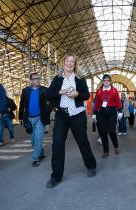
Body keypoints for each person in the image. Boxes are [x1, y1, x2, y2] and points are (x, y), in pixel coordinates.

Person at [45, 53, 97, 188]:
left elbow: (86, 95)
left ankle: (91, 166)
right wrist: (60, 92)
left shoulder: (79, 79)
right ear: (64, 63)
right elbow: (48, 94)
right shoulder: (57, 79)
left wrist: (77, 94)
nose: (69, 64)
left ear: (75, 65)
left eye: (72, 62)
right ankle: (56, 176)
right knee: (57, 144)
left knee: (82, 141)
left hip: (77, 114)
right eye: (67, 61)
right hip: (61, 114)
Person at [19, 72, 50, 167]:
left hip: (40, 118)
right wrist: (20, 118)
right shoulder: (25, 91)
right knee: (33, 141)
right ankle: (42, 153)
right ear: (31, 80)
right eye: (35, 78)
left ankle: (35, 159)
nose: (37, 80)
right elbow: (22, 105)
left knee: (38, 139)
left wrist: (48, 110)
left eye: (38, 78)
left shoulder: (44, 90)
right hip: (29, 118)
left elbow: (52, 100)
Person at [93, 74, 122, 158]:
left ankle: (116, 146)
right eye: (104, 80)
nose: (106, 82)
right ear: (102, 81)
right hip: (101, 113)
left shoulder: (114, 90)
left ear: (110, 81)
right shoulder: (99, 91)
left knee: (112, 131)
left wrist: (120, 112)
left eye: (108, 80)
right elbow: (97, 103)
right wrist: (94, 114)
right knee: (103, 132)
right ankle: (106, 151)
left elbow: (118, 102)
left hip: (112, 112)